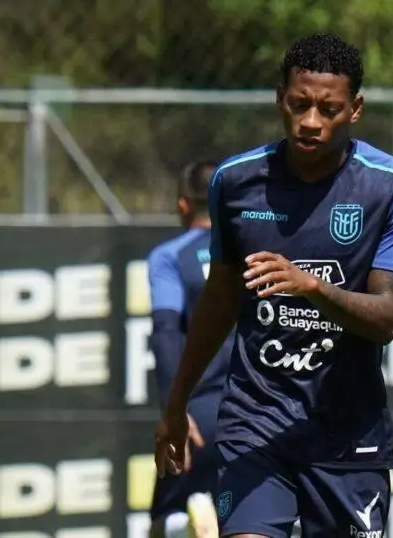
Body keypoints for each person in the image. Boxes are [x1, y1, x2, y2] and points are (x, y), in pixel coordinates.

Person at [154, 33, 393, 538]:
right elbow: (218, 301)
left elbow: (387, 318)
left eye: (329, 109)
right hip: (255, 423)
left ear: (355, 109)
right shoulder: (235, 182)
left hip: (347, 434)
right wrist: (176, 403)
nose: (310, 121)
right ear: (280, 98)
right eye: (299, 104)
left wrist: (313, 288)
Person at [147, 160, 233, 538]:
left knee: (163, 522)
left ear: (183, 205)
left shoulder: (170, 257)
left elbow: (166, 332)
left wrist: (175, 410)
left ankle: (188, 525)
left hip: (199, 413)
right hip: (256, 409)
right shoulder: (253, 251)